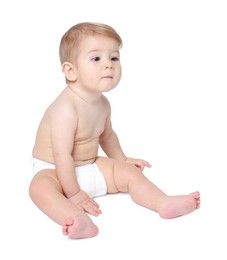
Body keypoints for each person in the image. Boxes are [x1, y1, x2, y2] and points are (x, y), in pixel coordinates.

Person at [29, 22, 200, 239]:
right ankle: (76, 219)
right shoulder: (65, 108)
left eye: (114, 58)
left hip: (89, 163)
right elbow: (61, 154)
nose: (109, 65)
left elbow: (107, 136)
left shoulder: (103, 104)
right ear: (71, 70)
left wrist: (122, 160)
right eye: (96, 58)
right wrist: (73, 194)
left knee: (130, 174)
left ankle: (162, 202)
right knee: (39, 189)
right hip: (54, 169)